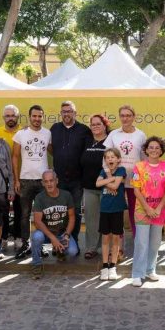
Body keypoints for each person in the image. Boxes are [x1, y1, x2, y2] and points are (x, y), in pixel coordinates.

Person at [130, 137, 165, 287]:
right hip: (142, 210)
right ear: (146, 150)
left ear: (161, 151)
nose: (154, 150)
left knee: (155, 243)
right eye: (151, 147)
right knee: (141, 243)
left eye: (157, 148)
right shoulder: (139, 167)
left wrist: (159, 207)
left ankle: (150, 269)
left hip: (159, 211)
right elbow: (136, 189)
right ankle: (137, 273)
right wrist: (147, 208)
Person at [49, 101, 92, 246]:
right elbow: (50, 147)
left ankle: (73, 240)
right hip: (59, 180)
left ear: (75, 113)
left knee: (76, 213)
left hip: (77, 180)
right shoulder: (54, 128)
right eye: (64, 111)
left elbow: (87, 153)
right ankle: (60, 241)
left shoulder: (84, 130)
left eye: (69, 111)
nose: (66, 114)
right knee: (60, 212)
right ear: (61, 113)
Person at [12, 105, 52, 259]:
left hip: (43, 181)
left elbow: (52, 151)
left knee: (42, 215)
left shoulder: (48, 133)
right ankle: (25, 244)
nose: (37, 119)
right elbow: (15, 157)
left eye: (39, 116)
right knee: (24, 214)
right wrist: (16, 179)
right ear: (29, 117)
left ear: (43, 117)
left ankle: (40, 245)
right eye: (34, 116)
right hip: (25, 180)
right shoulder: (20, 134)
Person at [104, 105, 147, 244]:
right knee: (117, 214)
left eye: (128, 115)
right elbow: (106, 156)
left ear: (134, 117)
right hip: (117, 180)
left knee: (136, 213)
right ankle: (119, 246)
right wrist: (109, 177)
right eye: (122, 115)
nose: (125, 118)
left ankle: (138, 242)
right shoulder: (113, 134)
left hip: (135, 181)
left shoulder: (140, 135)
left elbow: (144, 158)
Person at [30, 170, 78, 279]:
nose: (49, 184)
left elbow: (72, 217)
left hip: (61, 232)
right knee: (36, 237)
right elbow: (37, 221)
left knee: (73, 251)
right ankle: (36, 265)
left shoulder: (66, 195)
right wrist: (52, 238)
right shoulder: (39, 198)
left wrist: (66, 235)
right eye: (46, 181)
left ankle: (60, 251)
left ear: (57, 181)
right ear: (42, 183)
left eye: (51, 180)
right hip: (46, 234)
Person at [81, 114, 110, 260]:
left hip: (107, 186)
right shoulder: (87, 140)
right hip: (88, 186)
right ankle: (91, 248)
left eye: (98, 124)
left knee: (107, 218)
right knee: (91, 219)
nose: (95, 127)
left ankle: (109, 248)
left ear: (105, 125)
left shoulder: (110, 140)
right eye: (93, 124)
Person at [95, 148, 126, 280]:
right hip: (105, 209)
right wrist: (111, 179)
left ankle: (113, 265)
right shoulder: (103, 170)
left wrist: (108, 180)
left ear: (118, 159)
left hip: (117, 209)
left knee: (115, 238)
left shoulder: (121, 170)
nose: (110, 159)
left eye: (113, 157)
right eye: (107, 157)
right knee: (105, 238)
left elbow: (115, 187)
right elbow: (97, 183)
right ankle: (105, 266)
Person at [0, 104, 22, 250]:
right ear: (3, 117)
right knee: (2, 210)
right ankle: (3, 238)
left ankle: (19, 238)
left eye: (13, 115)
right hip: (2, 178)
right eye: (7, 116)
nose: (10, 118)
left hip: (21, 176)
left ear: (17, 117)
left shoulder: (24, 131)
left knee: (20, 210)